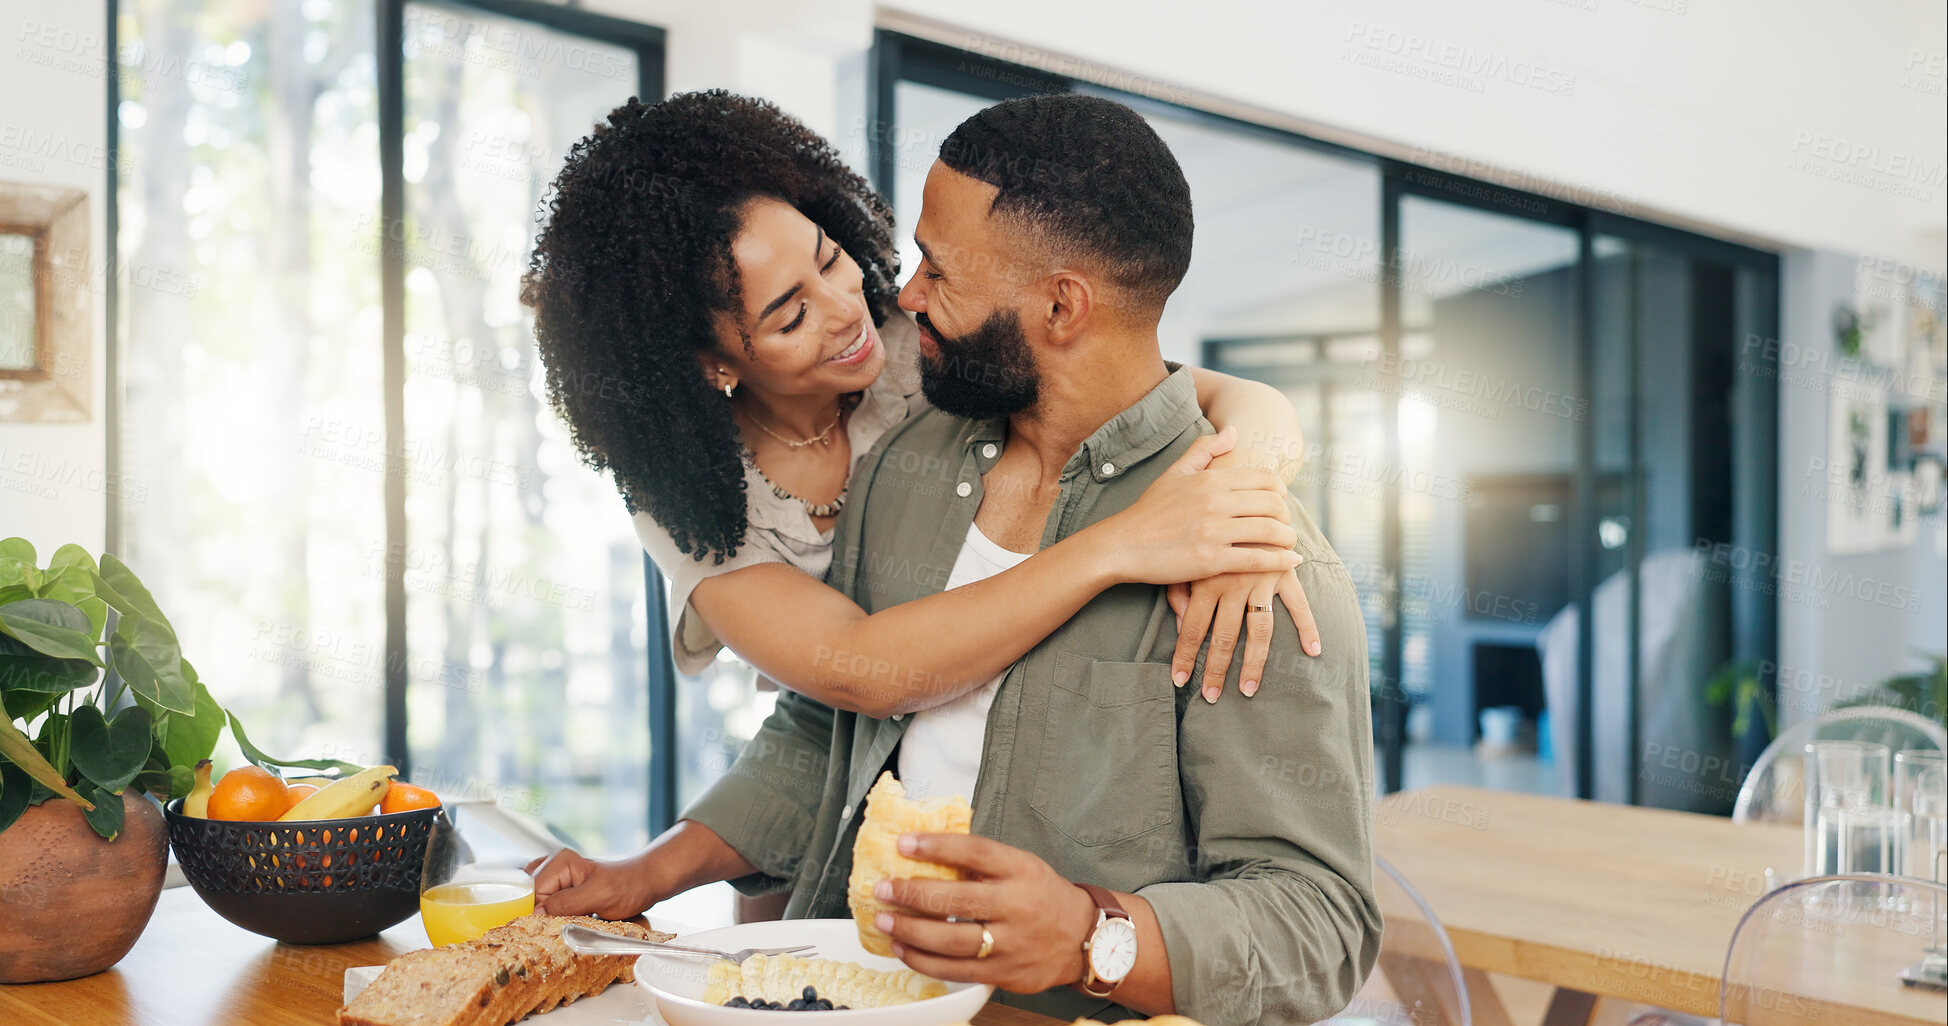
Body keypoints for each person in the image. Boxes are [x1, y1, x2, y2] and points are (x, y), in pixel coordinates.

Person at [530, 93, 1378, 1024]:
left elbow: (1320, 923)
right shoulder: (907, 463)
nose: (901, 295)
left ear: (1061, 304)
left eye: (939, 269)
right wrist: (649, 873)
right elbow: (830, 725)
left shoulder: (1252, 567)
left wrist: (1091, 935)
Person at [519, 90, 1323, 729]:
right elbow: (853, 673)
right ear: (712, 363)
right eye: (791, 315)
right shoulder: (688, 493)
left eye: (833, 259)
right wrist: (1124, 545)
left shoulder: (920, 339)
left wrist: (1241, 494)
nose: (851, 309)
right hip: (830, 746)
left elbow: (1187, 391)